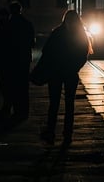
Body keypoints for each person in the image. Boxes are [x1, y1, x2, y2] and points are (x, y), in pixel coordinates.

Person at [38, 9, 90, 145]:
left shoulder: (57, 33)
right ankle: (66, 134)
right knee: (67, 104)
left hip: (57, 73)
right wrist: (74, 67)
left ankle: (52, 132)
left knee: (55, 104)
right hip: (68, 73)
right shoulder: (81, 34)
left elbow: (46, 52)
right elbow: (83, 54)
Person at [0, 2, 35, 121]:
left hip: (10, 60)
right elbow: (32, 43)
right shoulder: (28, 24)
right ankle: (24, 111)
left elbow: (3, 43)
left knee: (11, 86)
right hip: (23, 60)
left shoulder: (8, 25)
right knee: (23, 86)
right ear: (20, 10)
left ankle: (15, 110)